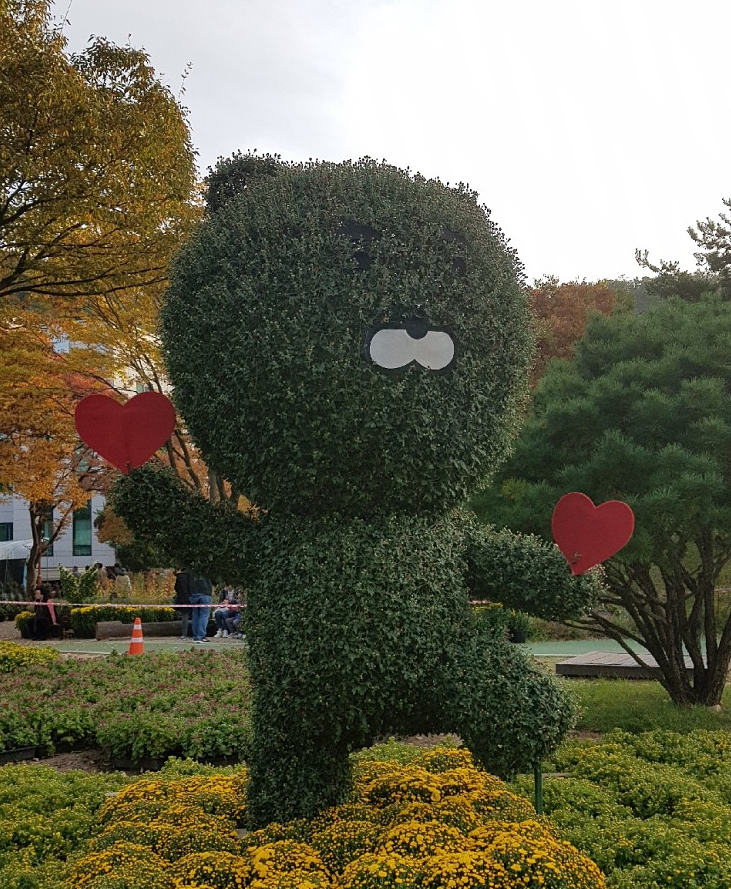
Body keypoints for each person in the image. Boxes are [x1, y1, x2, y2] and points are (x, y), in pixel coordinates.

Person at [189, 573, 213, 643]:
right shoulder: (207, 570)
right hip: (205, 593)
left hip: (193, 594)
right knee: (204, 615)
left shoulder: (190, 571)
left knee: (195, 615)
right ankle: (201, 635)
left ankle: (196, 635)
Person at [174, 569, 193, 640]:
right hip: (193, 597)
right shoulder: (193, 576)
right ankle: (196, 633)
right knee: (196, 616)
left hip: (182, 599)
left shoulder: (180, 577)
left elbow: (176, 588)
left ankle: (184, 634)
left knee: (185, 616)